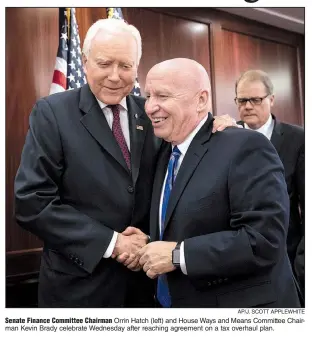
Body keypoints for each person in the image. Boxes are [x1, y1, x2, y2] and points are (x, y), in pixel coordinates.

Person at [14, 19, 232, 308]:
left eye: (126, 66)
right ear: (85, 60)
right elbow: (32, 202)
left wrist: (215, 126)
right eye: (104, 64)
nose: (115, 76)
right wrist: (113, 243)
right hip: (79, 290)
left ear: (137, 67)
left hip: (149, 287)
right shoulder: (52, 113)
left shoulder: (153, 111)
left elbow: (178, 180)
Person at [135, 58, 301, 308]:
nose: (150, 107)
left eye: (163, 96)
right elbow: (189, 223)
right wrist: (148, 241)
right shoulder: (165, 152)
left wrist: (177, 255)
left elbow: (263, 240)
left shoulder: (245, 146)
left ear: (201, 100)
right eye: (149, 96)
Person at [234, 69, 304, 297]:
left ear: (271, 100)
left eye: (255, 100)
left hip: (287, 260)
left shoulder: (298, 139)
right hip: (237, 262)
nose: (247, 106)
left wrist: (302, 264)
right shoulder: (225, 137)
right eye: (242, 100)